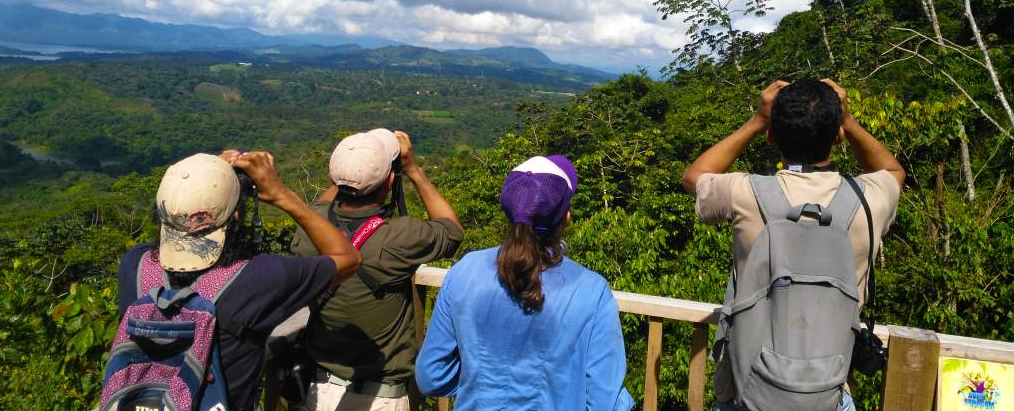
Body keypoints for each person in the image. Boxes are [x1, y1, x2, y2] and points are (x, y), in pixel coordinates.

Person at [682, 79, 905, 411]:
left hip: (748, 389)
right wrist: (849, 120)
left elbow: (694, 176)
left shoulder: (745, 194)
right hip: (829, 390)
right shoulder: (868, 200)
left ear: (772, 137)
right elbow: (892, 170)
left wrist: (757, 120)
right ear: (838, 137)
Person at [113, 151, 362, 411]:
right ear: (237, 216)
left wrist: (203, 176)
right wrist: (281, 195)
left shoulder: (135, 265)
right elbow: (348, 258)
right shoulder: (260, 277)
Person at [416, 155, 634, 411]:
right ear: (566, 218)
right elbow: (605, 401)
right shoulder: (591, 291)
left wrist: (480, 380)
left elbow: (431, 377)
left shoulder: (466, 271)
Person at [293, 129, 463, 411]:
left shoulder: (308, 231)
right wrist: (414, 170)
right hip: (379, 398)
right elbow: (452, 230)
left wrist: (351, 167)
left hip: (317, 392)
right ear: (391, 181)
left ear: (332, 178)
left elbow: (321, 206)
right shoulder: (400, 237)